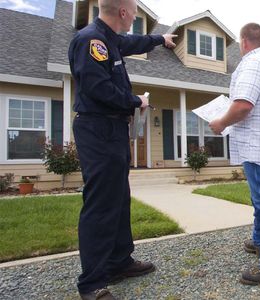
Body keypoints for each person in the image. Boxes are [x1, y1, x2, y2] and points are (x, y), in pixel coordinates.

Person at [68, 0, 176, 299]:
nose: (135, 19)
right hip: (98, 128)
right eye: (135, 14)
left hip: (112, 129)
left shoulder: (110, 39)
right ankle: (92, 284)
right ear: (124, 13)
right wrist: (136, 101)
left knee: (119, 197)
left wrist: (159, 39)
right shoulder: (92, 40)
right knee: (101, 203)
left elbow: (133, 41)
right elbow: (97, 88)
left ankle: (119, 262)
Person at [209, 22, 260, 285]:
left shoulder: (253, 62)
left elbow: (243, 105)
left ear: (244, 42)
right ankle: (259, 241)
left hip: (259, 143)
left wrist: (220, 122)